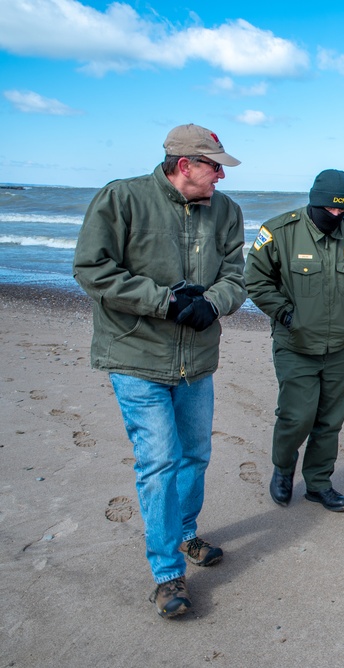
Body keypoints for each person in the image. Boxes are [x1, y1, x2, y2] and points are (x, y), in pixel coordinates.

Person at [72, 124, 246, 618]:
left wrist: (212, 303)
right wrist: (163, 302)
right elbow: (91, 268)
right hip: (135, 355)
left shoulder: (227, 212)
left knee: (195, 454)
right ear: (183, 164)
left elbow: (237, 276)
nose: (219, 176)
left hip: (196, 360)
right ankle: (168, 575)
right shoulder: (122, 199)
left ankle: (185, 533)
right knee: (160, 461)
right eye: (213, 166)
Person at [245, 169, 344, 513]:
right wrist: (287, 316)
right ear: (314, 202)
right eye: (330, 210)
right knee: (296, 416)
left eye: (342, 210)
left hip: (338, 348)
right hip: (295, 345)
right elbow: (256, 280)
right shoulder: (279, 232)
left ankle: (319, 484)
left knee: (330, 420)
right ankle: (283, 468)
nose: (336, 216)